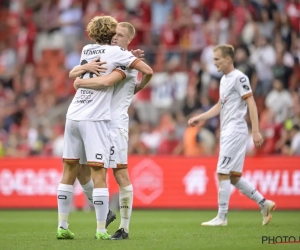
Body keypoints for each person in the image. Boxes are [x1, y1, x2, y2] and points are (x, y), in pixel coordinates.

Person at [57, 16, 144, 240]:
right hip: (95, 118)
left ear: (129, 40)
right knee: (82, 171)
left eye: (121, 35)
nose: (116, 36)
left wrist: (80, 81)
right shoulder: (104, 54)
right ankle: (103, 214)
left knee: (116, 173)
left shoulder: (124, 60)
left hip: (112, 124)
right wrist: (83, 70)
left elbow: (106, 81)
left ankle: (123, 228)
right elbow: (76, 73)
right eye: (114, 33)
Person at [188, 44, 276, 226]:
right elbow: (221, 106)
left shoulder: (239, 77)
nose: (214, 63)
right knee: (234, 177)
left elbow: (251, 103)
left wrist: (256, 130)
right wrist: (200, 118)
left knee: (222, 173)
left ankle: (222, 217)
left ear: (228, 59)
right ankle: (264, 203)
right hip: (228, 130)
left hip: (235, 130)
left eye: (217, 59)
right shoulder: (224, 79)